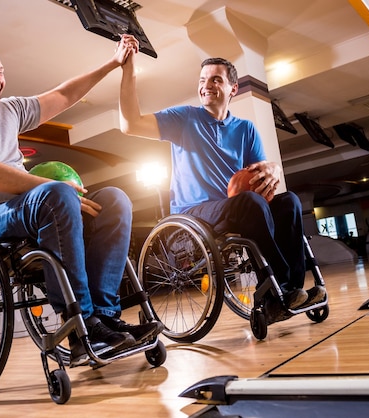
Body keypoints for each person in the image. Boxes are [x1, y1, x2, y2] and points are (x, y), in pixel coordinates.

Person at [0, 36, 161, 366]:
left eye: (0, 70)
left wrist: (112, 63)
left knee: (115, 201)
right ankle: (80, 327)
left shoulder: (9, 110)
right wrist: (48, 187)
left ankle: (104, 318)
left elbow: (63, 94)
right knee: (56, 194)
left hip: (22, 213)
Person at [118, 46, 325, 321]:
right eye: (203, 80)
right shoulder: (184, 119)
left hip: (234, 207)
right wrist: (127, 68)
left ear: (233, 89)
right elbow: (130, 124)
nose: (206, 85)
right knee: (249, 203)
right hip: (193, 212)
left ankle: (290, 289)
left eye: (216, 79)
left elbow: (258, 176)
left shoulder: (245, 129)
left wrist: (273, 169)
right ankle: (279, 289)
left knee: (289, 202)